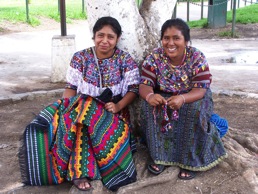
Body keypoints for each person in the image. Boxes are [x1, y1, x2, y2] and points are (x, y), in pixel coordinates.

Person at [19, 16, 140, 191]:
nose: (104, 41)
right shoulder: (80, 58)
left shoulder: (125, 60)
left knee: (84, 115)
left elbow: (133, 90)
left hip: (113, 113)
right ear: (94, 36)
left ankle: (79, 170)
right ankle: (79, 171)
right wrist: (67, 107)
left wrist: (118, 106)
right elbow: (71, 87)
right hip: (82, 110)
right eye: (100, 35)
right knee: (80, 116)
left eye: (110, 37)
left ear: (118, 38)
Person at [139, 18, 227, 180]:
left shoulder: (197, 57)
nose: (170, 43)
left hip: (193, 95)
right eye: (166, 38)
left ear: (186, 41)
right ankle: (160, 156)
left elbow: (200, 89)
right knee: (149, 107)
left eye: (176, 38)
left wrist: (182, 98)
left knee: (191, 111)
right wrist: (151, 96)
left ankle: (190, 160)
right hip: (164, 94)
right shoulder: (154, 57)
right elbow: (145, 85)